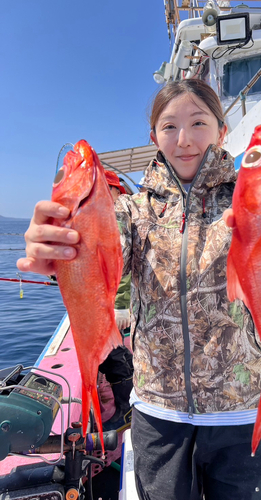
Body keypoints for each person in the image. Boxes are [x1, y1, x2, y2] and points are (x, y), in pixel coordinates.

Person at [17, 79, 261, 500]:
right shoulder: (130, 209)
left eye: (198, 123)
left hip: (242, 410)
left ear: (222, 131)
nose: (184, 140)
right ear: (154, 138)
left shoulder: (253, 195)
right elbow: (101, 254)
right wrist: (58, 252)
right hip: (158, 414)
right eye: (169, 127)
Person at [97, 169, 134, 432]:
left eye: (105, 190)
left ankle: (126, 409)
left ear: (116, 191)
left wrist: (121, 305)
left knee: (113, 353)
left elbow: (122, 267)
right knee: (105, 351)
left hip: (115, 304)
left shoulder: (117, 217)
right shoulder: (97, 219)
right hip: (100, 302)